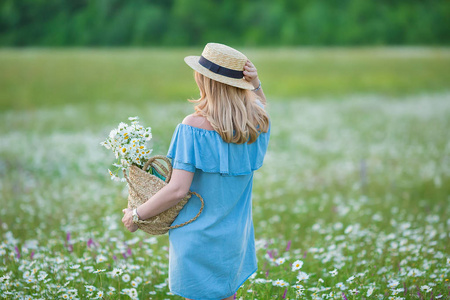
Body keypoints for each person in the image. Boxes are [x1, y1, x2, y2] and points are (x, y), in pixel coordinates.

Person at [122, 42, 270, 300]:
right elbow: (260, 103)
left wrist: (136, 215)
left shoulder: (193, 126)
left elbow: (178, 189)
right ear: (240, 84)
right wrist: (256, 85)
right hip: (235, 238)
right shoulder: (255, 123)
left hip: (197, 239)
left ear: (204, 80)